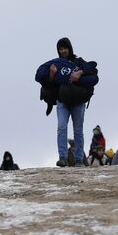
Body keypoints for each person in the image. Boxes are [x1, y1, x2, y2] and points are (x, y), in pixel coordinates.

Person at [35, 37, 99, 167]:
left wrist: (80, 73)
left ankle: (79, 160)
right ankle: (63, 158)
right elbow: (46, 81)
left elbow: (94, 71)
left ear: (70, 48)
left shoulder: (78, 61)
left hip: (78, 101)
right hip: (62, 101)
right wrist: (52, 74)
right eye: (61, 49)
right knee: (61, 128)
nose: (63, 51)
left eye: (65, 48)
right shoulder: (56, 64)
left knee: (78, 130)